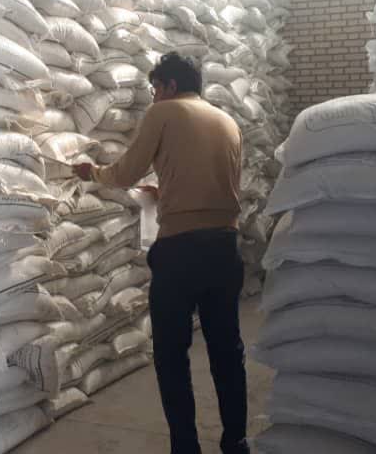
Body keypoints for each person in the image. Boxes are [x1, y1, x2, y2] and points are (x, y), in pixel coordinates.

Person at [73, 52, 248, 454]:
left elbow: (126, 172)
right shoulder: (228, 122)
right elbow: (220, 183)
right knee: (227, 351)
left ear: (170, 85)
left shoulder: (164, 113)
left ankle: (186, 448)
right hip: (225, 248)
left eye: (155, 89)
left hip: (181, 251)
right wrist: (165, 190)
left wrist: (92, 172)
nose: (153, 97)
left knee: (171, 356)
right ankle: (236, 443)